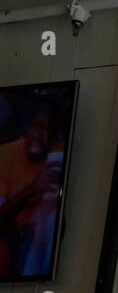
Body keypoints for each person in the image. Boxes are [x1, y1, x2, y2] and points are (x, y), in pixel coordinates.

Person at [0, 96, 67, 277]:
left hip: (41, 238)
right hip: (10, 236)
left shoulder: (60, 154)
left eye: (46, 128)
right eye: (36, 125)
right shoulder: (5, 155)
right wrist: (32, 189)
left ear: (55, 134)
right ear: (27, 128)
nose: (39, 134)